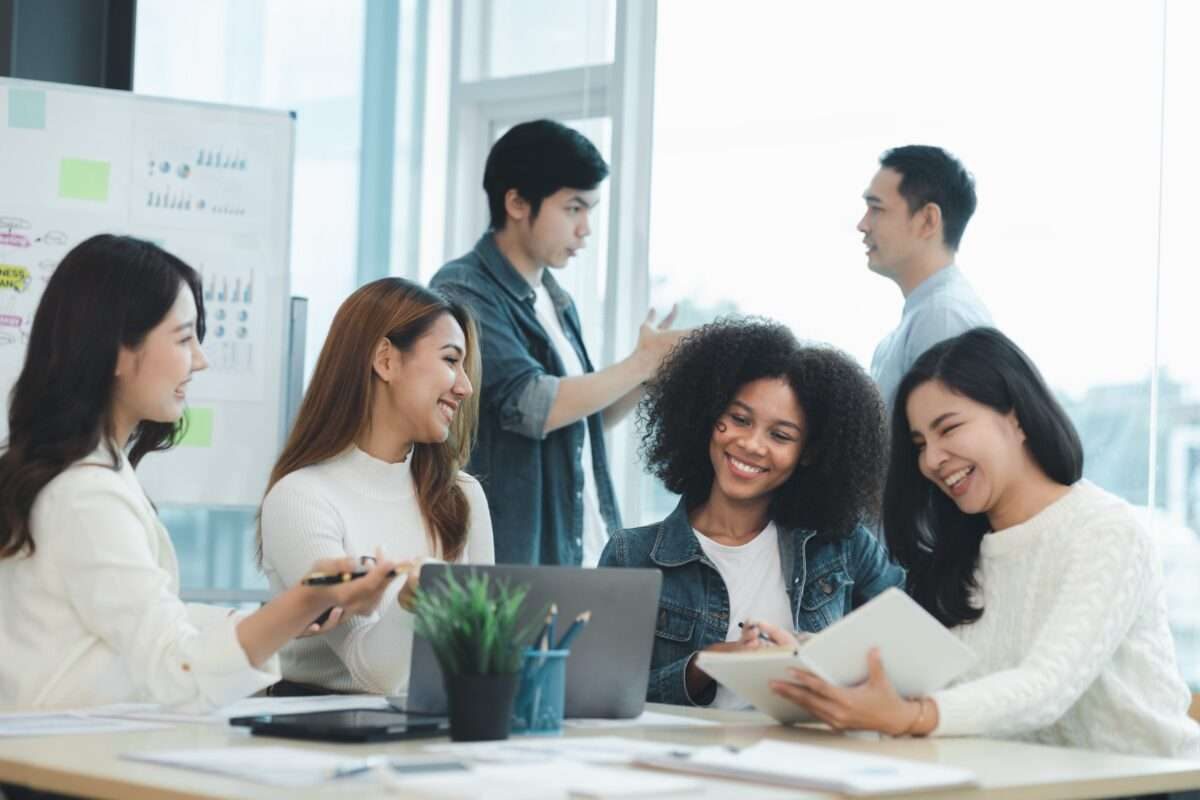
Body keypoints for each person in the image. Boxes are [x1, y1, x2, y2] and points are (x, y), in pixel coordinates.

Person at [0, 235, 396, 711]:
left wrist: (290, 611)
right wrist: (304, 604)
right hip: (58, 767)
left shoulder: (77, 474)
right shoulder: (86, 495)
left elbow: (152, 620)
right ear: (120, 351)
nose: (201, 360)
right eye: (185, 338)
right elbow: (177, 673)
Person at [766, 327, 1200, 758]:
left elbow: (1046, 686)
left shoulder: (1107, 530)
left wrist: (911, 717)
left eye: (949, 428)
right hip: (1023, 780)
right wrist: (809, 657)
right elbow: (946, 684)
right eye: (920, 444)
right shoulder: (963, 552)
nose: (932, 460)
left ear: (1016, 416)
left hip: (1149, 781)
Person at [599, 318, 903, 707]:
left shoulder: (842, 546)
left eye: (780, 436)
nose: (751, 445)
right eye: (740, 420)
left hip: (810, 759)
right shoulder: (632, 556)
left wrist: (820, 651)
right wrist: (707, 664)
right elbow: (602, 696)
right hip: (682, 764)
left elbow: (908, 647)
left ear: (808, 453)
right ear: (709, 418)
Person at [431, 119, 686, 566]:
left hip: (582, 547)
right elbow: (533, 406)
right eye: (573, 208)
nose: (586, 228)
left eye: (590, 210)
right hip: (517, 562)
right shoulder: (463, 288)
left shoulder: (556, 299)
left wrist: (650, 373)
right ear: (516, 202)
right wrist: (640, 363)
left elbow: (585, 418)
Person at [259, 278, 495, 695]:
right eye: (450, 360)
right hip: (320, 736)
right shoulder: (300, 498)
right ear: (386, 360)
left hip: (438, 729)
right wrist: (413, 602)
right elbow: (375, 675)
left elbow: (482, 655)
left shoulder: (463, 495)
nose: (465, 386)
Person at [858, 145, 992, 411]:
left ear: (928, 220)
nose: (863, 224)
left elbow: (951, 446)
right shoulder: (926, 314)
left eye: (876, 208)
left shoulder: (943, 317)